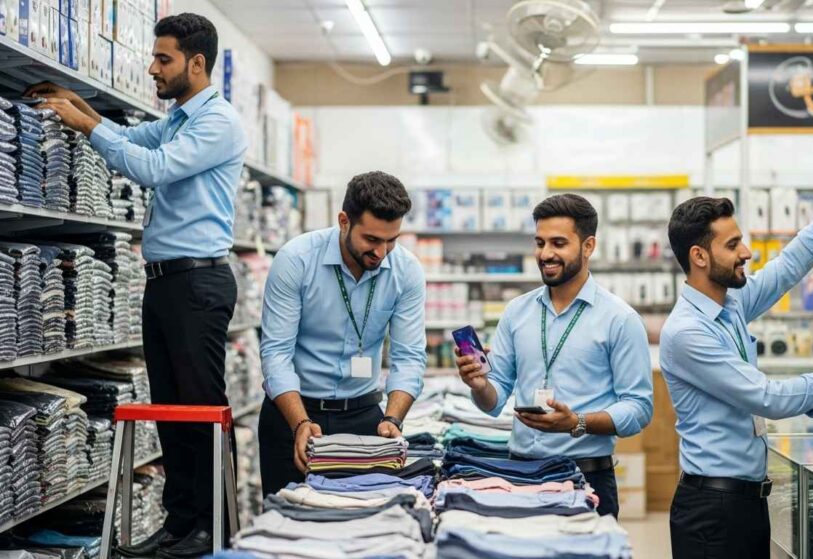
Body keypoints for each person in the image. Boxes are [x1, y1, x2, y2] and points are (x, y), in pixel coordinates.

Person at [29, 13, 246, 559]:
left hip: (198, 284)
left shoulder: (217, 122)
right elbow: (126, 136)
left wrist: (85, 124)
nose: (153, 68)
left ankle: (210, 528)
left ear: (196, 63)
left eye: (163, 59)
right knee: (170, 409)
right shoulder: (177, 118)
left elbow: (151, 168)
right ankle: (179, 525)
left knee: (198, 409)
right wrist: (76, 104)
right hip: (168, 285)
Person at [660, 148, 813, 559]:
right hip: (712, 510)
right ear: (699, 257)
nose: (746, 253)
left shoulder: (730, 304)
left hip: (744, 502)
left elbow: (789, 264)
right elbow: (768, 399)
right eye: (733, 244)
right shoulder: (688, 332)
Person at [456, 193, 654, 517]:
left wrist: (576, 422)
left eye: (558, 243)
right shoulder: (517, 312)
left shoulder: (620, 319)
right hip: (519, 475)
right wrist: (479, 384)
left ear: (588, 246)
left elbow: (639, 409)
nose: (545, 254)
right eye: (540, 242)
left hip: (585, 477)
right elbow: (493, 402)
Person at [258, 171, 426, 496]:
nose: (381, 252)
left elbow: (409, 357)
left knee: (362, 526)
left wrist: (394, 419)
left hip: (365, 419)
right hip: (293, 415)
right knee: (286, 529)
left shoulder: (406, 271)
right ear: (344, 221)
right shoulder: (296, 260)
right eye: (372, 240)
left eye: (391, 240)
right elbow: (276, 354)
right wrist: (301, 424)